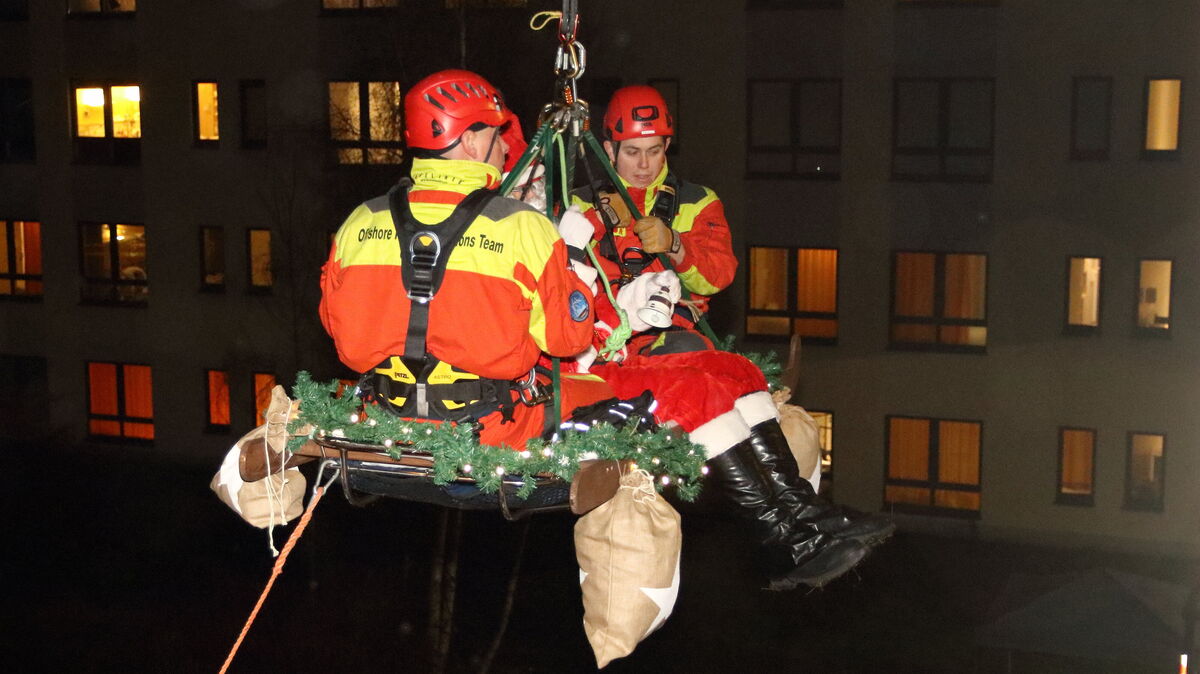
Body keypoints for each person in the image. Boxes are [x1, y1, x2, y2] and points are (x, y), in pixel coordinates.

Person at [570, 85, 894, 589]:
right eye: (632, 152)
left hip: (673, 332)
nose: (644, 165)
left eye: (654, 151)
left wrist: (676, 245)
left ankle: (804, 515)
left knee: (736, 370)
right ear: (608, 149)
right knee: (701, 380)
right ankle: (782, 531)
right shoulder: (581, 207)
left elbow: (717, 275)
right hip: (615, 342)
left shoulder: (694, 201)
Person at [319, 69, 612, 450]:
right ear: (471, 141)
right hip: (490, 428)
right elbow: (568, 339)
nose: (505, 147)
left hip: (384, 420)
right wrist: (570, 259)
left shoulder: (359, 221)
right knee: (609, 393)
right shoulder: (523, 226)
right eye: (497, 135)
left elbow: (334, 323)